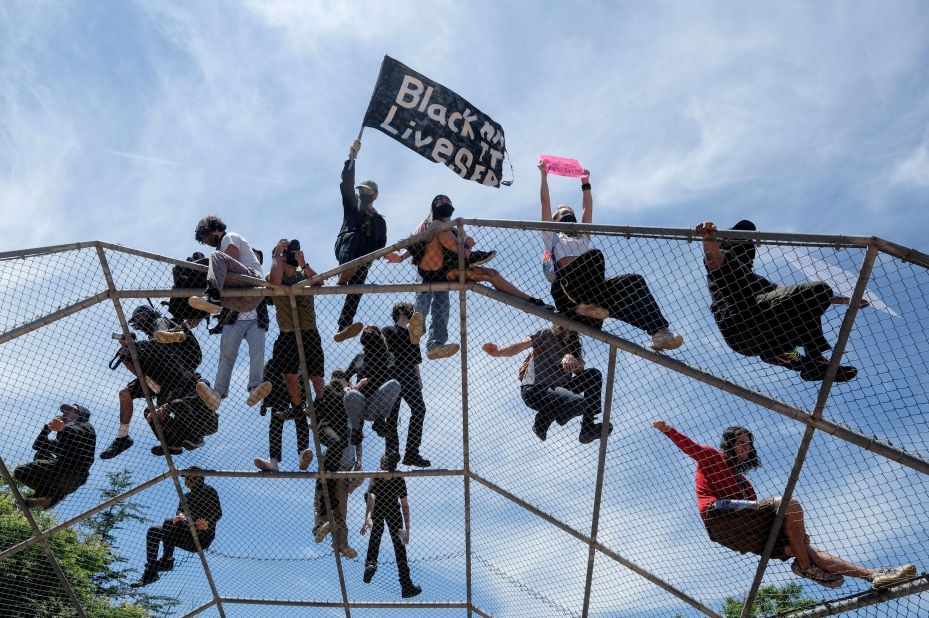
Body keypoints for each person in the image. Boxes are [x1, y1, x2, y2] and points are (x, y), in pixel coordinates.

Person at [653, 420, 916, 589]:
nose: (745, 447)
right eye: (740, 442)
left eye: (748, 443)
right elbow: (690, 448)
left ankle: (873, 575)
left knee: (800, 544)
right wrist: (668, 430)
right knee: (787, 503)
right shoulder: (712, 457)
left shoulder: (745, 484)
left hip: (745, 530)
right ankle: (805, 567)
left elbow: (756, 510)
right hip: (718, 516)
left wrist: (797, 536)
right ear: (729, 445)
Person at [538, 163, 683, 351]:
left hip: (594, 293)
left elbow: (587, 209)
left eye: (571, 214)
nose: (570, 217)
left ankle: (659, 333)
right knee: (595, 256)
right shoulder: (553, 237)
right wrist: (543, 176)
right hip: (569, 291)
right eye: (565, 215)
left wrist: (585, 182)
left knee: (633, 281)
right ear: (555, 221)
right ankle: (586, 304)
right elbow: (545, 203)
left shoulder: (583, 237)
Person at [696, 220, 861, 381]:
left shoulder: (759, 280)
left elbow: (785, 292)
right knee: (819, 290)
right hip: (740, 318)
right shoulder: (726, 259)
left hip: (757, 336)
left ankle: (805, 363)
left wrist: (846, 300)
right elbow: (713, 258)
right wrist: (709, 236)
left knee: (806, 306)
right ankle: (811, 356)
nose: (747, 247)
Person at [386, 195, 550, 353]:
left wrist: (468, 245)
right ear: (433, 206)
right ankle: (418, 328)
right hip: (428, 265)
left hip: (447, 271)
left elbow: (466, 241)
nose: (444, 202)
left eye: (447, 200)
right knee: (425, 296)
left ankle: (530, 301)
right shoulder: (428, 224)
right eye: (439, 200)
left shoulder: (457, 229)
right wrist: (400, 257)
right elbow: (414, 242)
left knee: (486, 277)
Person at [188, 215, 272, 410]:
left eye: (207, 237)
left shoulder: (229, 238)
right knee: (226, 355)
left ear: (215, 229)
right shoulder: (221, 248)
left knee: (257, 352)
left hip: (251, 283)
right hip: (240, 305)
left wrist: (214, 276)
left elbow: (231, 258)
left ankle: (255, 386)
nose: (208, 242)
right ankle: (217, 394)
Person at [483, 325, 612, 443]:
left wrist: (571, 359)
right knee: (579, 403)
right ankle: (544, 418)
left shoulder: (574, 345)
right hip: (535, 389)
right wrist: (498, 352)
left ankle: (587, 427)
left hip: (559, 390)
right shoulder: (546, 334)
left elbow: (581, 370)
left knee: (593, 374)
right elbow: (520, 346)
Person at [100, 305, 198, 460]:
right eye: (136, 319)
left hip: (171, 372)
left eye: (141, 315)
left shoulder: (160, 322)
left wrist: (134, 345)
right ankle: (123, 437)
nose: (139, 320)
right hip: (154, 376)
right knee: (126, 394)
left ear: (150, 314)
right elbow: (138, 369)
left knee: (164, 410)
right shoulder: (145, 342)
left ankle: (190, 436)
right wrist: (128, 351)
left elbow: (161, 338)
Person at [131, 468, 222, 588]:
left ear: (200, 478)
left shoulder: (209, 491)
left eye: (192, 478)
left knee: (169, 522)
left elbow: (217, 512)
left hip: (202, 536)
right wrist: (179, 517)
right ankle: (157, 568)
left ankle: (163, 563)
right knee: (155, 530)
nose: (189, 481)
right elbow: (181, 513)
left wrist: (207, 524)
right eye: (187, 478)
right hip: (187, 533)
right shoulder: (186, 496)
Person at [334, 139, 387, 343]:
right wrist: (351, 158)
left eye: (366, 191)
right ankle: (344, 271)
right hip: (346, 246)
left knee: (357, 289)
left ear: (374, 195)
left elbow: (381, 244)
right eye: (360, 191)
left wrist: (375, 258)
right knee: (354, 239)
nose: (361, 193)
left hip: (362, 258)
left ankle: (343, 326)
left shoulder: (379, 221)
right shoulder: (353, 206)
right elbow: (346, 183)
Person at [313, 371, 362, 559]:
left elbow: (358, 438)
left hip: (345, 467)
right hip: (332, 459)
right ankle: (319, 527)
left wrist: (359, 460)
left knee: (341, 507)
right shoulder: (333, 398)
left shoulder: (351, 410)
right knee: (323, 492)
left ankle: (342, 543)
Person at [360, 453, 422, 598]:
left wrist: (406, 530)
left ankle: (372, 564)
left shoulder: (397, 477)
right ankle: (403, 583)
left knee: (393, 540)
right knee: (382, 532)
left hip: (389, 509)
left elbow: (403, 505)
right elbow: (372, 498)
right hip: (382, 507)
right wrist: (368, 518)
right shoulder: (378, 475)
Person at [14, 403, 96, 509]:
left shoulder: (86, 427)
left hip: (73, 474)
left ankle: (49, 495)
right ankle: (48, 497)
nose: (64, 413)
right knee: (38, 456)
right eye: (64, 411)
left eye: (69, 411)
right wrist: (47, 428)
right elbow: (38, 445)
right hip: (63, 478)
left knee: (20, 470)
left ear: (78, 414)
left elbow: (78, 433)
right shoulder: (63, 440)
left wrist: (63, 429)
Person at [383, 303, 431, 467]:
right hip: (393, 376)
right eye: (408, 310)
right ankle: (391, 455)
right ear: (400, 313)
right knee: (392, 417)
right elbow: (382, 355)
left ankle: (411, 453)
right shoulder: (388, 330)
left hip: (409, 376)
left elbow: (416, 360)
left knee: (419, 409)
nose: (412, 312)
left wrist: (419, 379)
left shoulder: (413, 333)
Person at [344, 326, 402, 446]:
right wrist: (346, 387)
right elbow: (345, 377)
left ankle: (380, 422)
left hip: (377, 403)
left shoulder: (388, 356)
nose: (368, 330)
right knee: (351, 394)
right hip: (361, 402)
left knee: (395, 384)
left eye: (372, 330)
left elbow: (391, 376)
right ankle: (357, 430)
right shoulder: (360, 357)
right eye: (366, 330)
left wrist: (369, 380)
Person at [253, 356, 313, 473]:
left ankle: (303, 455)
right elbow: (266, 382)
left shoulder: (299, 358)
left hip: (296, 388)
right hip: (279, 393)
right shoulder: (273, 362)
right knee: (276, 421)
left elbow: (307, 376)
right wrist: (263, 404)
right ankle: (273, 462)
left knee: (300, 416)